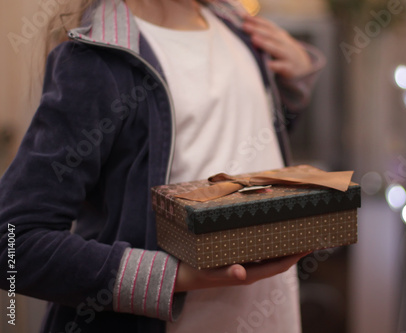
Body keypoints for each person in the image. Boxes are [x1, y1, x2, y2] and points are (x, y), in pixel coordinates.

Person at [0, 0, 325, 332]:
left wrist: (293, 86)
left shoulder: (242, 31)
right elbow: (12, 242)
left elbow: (241, 146)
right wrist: (174, 277)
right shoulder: (95, 60)